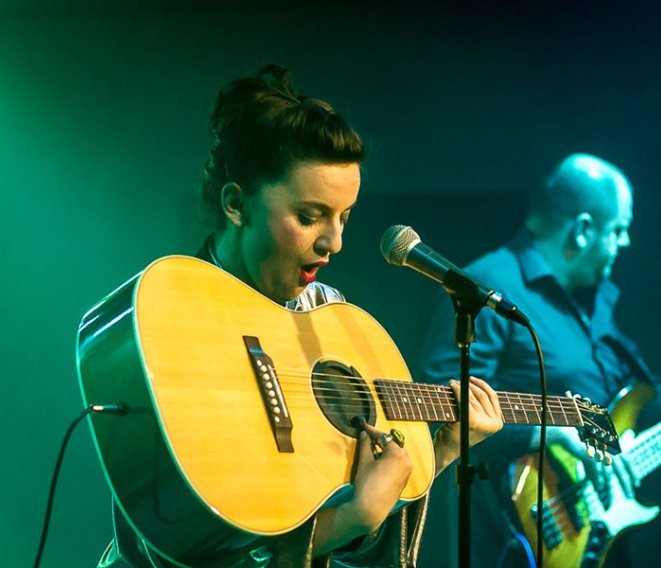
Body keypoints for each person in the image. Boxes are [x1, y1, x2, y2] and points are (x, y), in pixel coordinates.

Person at [97, 64, 504, 568]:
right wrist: (352, 519)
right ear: (236, 204)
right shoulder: (170, 316)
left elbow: (354, 535)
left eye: (344, 217)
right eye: (309, 217)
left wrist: (439, 452)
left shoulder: (328, 318)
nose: (334, 243)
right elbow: (195, 549)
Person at [418, 153, 661, 567]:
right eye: (618, 229)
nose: (625, 242)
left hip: (598, 534)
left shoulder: (595, 298)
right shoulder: (486, 286)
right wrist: (550, 434)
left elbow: (646, 399)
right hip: (518, 539)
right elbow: (438, 402)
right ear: (583, 229)